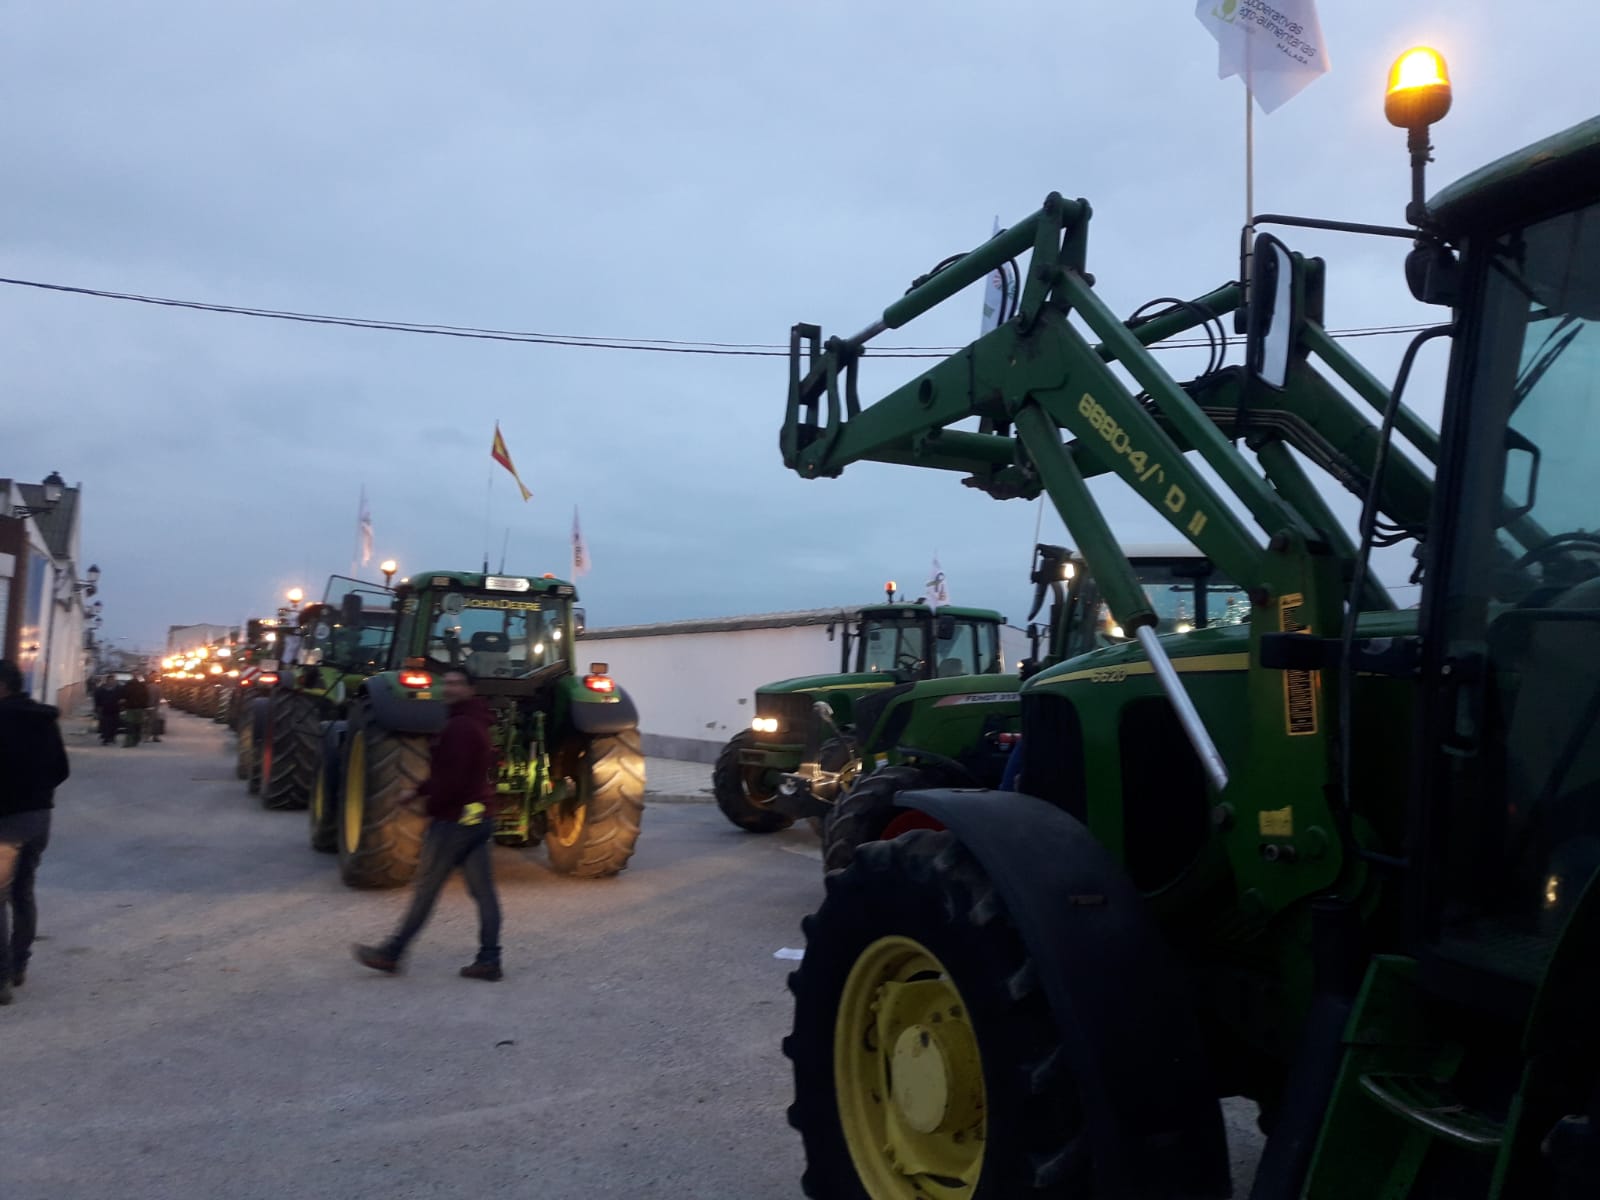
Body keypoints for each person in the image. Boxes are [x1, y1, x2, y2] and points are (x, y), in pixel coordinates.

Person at [353, 665, 503, 980]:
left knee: (426, 890)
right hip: (478, 815)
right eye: (446, 683)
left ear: (470, 689)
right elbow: (453, 775)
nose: (448, 688)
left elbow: (452, 780)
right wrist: (418, 791)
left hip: (454, 820)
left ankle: (391, 953)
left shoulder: (458, 727)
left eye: (456, 684)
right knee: (484, 893)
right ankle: (489, 959)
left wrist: (431, 805)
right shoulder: (478, 722)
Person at [0, 659, 71, 1005]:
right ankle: (18, 966)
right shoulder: (44, 720)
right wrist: (36, 793)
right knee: (23, 893)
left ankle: (1, 979)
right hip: (38, 819)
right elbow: (61, 769)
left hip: (5, 823)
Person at [118, 674, 151, 747]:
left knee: (131, 725)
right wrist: (145, 707)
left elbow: (123, 697)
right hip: (137, 708)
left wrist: (123, 705)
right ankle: (134, 739)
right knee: (136, 725)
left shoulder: (128, 686)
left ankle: (130, 741)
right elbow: (146, 697)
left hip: (131, 708)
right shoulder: (142, 686)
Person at [92, 675, 120, 745]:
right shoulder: (101, 690)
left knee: (114, 724)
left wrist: (121, 704)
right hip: (105, 710)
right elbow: (97, 699)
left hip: (115, 709)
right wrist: (97, 708)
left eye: (113, 680)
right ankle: (105, 738)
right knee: (105, 724)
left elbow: (121, 697)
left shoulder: (118, 689)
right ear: (107, 681)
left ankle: (112, 737)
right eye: (110, 680)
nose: (112, 682)